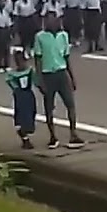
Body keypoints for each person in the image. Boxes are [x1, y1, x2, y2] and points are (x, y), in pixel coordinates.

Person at [33, 16, 84, 149]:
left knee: (70, 104)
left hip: (61, 73)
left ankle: (73, 133)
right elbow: (38, 59)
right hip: (48, 74)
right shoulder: (40, 37)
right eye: (50, 20)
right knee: (49, 107)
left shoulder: (64, 36)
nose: (54, 22)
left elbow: (67, 58)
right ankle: (53, 136)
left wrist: (72, 77)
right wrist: (40, 80)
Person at [6, 50, 37, 150]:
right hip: (20, 96)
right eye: (17, 61)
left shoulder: (30, 71)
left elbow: (36, 81)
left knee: (31, 114)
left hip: (28, 95)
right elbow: (12, 85)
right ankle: (25, 139)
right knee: (21, 117)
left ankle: (26, 134)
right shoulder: (12, 75)